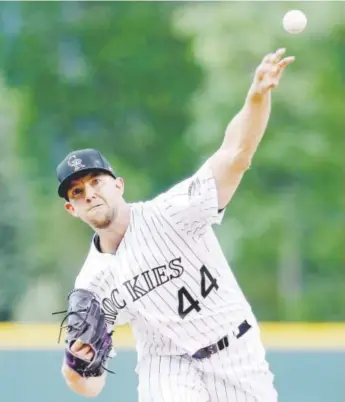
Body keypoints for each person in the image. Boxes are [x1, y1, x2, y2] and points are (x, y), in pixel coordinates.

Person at [56, 48, 294, 401]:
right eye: (77, 191)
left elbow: (235, 154)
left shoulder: (174, 212)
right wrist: (77, 363)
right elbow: (89, 387)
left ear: (118, 185)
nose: (89, 193)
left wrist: (256, 97)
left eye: (96, 182)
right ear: (71, 208)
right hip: (167, 365)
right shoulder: (91, 285)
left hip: (236, 349)